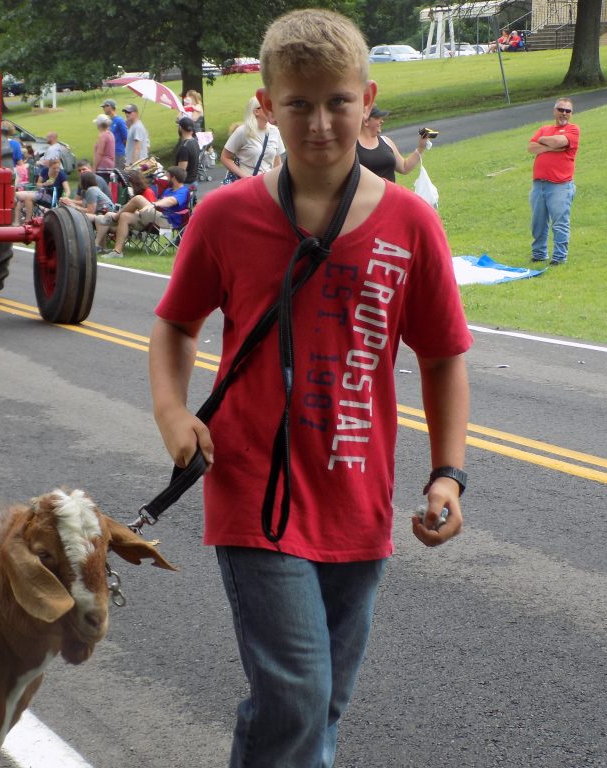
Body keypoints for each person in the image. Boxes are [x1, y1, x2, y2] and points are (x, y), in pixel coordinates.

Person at [147, 9, 471, 768]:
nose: (319, 121)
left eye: (337, 101)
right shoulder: (225, 217)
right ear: (266, 106)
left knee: (321, 701)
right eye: (298, 103)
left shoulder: (412, 225)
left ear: (368, 101)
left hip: (359, 494)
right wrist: (170, 412)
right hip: (253, 491)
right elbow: (174, 327)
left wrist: (449, 472)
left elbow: (444, 355)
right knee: (294, 693)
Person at [94, 166, 189, 258]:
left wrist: (155, 204)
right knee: (124, 216)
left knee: (138, 198)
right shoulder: (168, 190)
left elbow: (171, 201)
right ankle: (117, 252)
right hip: (157, 216)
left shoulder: (183, 191)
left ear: (174, 178)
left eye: (168, 176)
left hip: (168, 221)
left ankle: (114, 218)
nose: (166, 178)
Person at [528, 97, 579, 265]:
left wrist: (544, 140)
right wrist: (551, 146)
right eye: (561, 109)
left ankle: (559, 257)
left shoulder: (573, 129)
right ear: (554, 111)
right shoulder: (545, 128)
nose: (564, 113)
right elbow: (531, 147)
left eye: (567, 111)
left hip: (560, 186)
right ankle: (539, 254)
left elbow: (561, 141)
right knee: (538, 222)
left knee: (559, 223)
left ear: (571, 113)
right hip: (539, 184)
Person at [356, 104, 427, 181]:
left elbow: (404, 167)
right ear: (366, 121)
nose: (382, 121)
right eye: (377, 118)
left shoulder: (386, 141)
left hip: (390, 193)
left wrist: (421, 147)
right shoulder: (351, 147)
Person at [220, 95, 283, 182]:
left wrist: (279, 183)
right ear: (256, 112)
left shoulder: (274, 131)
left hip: (267, 185)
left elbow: (277, 161)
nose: (272, 110)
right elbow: (225, 157)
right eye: (267, 107)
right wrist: (245, 177)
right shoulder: (242, 131)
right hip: (247, 185)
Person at [13, 156, 68, 224]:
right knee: (19, 199)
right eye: (54, 168)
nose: (57, 170)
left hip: (53, 199)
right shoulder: (45, 171)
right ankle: (16, 222)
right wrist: (45, 184)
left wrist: (65, 197)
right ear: (49, 166)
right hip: (42, 194)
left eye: (58, 168)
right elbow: (38, 185)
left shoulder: (61, 174)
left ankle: (27, 221)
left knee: (27, 197)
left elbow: (67, 190)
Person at [174, 116, 200, 191]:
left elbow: (181, 172)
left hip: (186, 185)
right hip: (193, 181)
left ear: (181, 128)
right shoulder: (195, 142)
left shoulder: (184, 148)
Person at [101, 98, 129, 169]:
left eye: (105, 106)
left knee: (119, 175)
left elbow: (126, 138)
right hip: (111, 154)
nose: (103, 108)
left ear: (110, 107)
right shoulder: (109, 121)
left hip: (119, 153)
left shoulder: (119, 121)